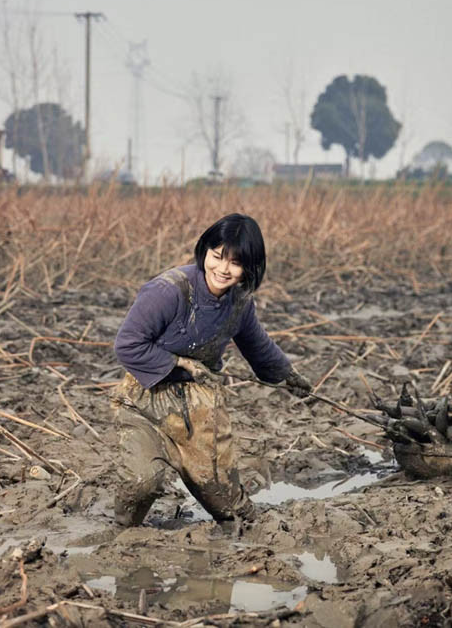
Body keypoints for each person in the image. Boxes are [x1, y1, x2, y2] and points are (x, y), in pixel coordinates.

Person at [111, 213, 312, 528]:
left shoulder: (240, 303)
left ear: (249, 268)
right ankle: (122, 533)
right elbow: (127, 345)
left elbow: (258, 347)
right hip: (146, 401)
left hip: (200, 408)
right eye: (217, 257)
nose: (223, 269)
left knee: (231, 509)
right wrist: (179, 363)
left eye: (235, 263)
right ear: (205, 251)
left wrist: (288, 377)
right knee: (142, 482)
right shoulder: (168, 291)